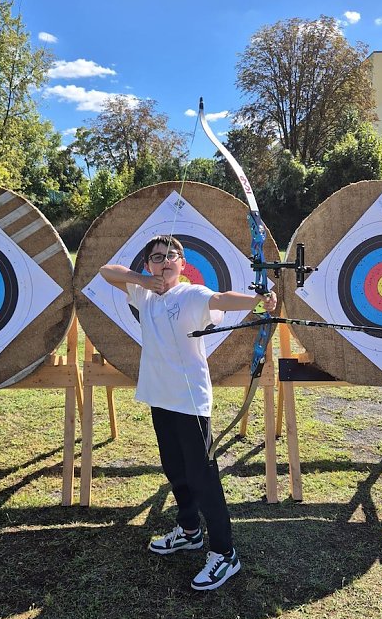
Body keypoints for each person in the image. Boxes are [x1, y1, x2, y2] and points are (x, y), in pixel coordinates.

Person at [99, 235, 277, 591]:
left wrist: (259, 300)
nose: (165, 261)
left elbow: (221, 299)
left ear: (183, 264)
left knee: (202, 476)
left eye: (172, 256)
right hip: (159, 397)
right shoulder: (143, 294)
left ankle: (225, 553)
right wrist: (141, 280)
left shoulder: (191, 294)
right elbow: (106, 271)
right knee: (174, 468)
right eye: (157, 257)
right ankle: (190, 531)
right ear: (147, 264)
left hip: (189, 401)